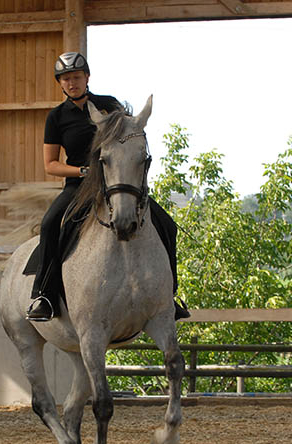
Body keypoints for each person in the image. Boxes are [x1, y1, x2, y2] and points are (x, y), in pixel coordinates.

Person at [26, 51, 189, 322]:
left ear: (87, 77)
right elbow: (50, 165)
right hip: (79, 186)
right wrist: (83, 171)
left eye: (76, 77)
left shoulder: (109, 105)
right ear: (60, 83)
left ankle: (169, 296)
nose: (71, 83)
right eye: (65, 79)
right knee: (50, 224)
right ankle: (44, 295)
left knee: (168, 225)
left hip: (117, 184)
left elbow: (130, 136)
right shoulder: (56, 117)